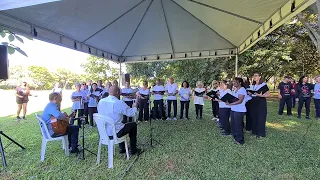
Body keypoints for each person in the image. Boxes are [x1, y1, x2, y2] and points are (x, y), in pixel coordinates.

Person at [97, 86, 140, 155]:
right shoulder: (118, 102)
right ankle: (133, 150)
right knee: (133, 125)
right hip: (115, 133)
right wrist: (135, 106)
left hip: (103, 132)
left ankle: (122, 148)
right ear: (117, 92)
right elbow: (131, 113)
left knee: (120, 123)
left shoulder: (101, 101)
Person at [249, 73, 270, 138]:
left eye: (256, 76)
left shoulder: (263, 85)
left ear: (260, 77)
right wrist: (250, 93)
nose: (254, 77)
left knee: (261, 117)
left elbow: (268, 94)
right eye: (253, 76)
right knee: (254, 116)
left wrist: (261, 95)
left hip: (261, 101)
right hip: (253, 101)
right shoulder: (253, 85)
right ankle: (254, 131)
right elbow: (252, 94)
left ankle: (261, 133)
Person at [227, 77, 247, 145]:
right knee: (233, 124)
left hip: (239, 110)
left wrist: (230, 104)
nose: (234, 83)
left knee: (238, 125)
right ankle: (235, 137)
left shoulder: (242, 90)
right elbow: (233, 98)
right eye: (233, 82)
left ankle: (240, 140)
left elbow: (240, 101)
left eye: (235, 82)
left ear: (240, 83)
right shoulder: (235, 89)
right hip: (233, 109)